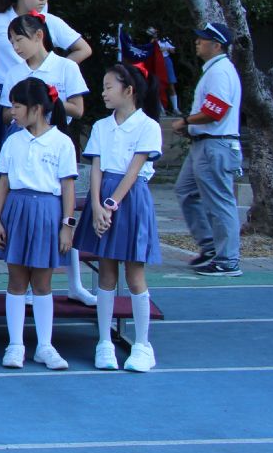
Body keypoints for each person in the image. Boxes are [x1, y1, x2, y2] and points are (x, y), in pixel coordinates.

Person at [0, 13, 95, 306]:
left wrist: (48, 102)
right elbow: (5, 112)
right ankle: (25, 286)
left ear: (39, 36)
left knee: (62, 210)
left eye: (19, 40)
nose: (16, 47)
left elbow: (78, 108)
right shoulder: (15, 72)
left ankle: (75, 283)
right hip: (21, 143)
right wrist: (20, 109)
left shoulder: (65, 66)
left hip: (55, 141)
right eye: (12, 42)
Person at [76, 64, 164, 372]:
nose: (103, 93)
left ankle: (142, 345)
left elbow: (134, 170)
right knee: (106, 273)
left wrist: (111, 204)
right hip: (103, 199)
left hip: (130, 199)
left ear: (129, 90)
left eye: (108, 87)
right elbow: (96, 168)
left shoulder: (148, 126)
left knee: (134, 273)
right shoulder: (101, 126)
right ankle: (104, 342)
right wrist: (96, 205)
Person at [0, 77, 77, 371]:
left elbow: (67, 187)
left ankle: (44, 345)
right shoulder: (13, 141)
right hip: (17, 210)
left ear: (36, 108)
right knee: (16, 280)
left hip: (47, 213)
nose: (12, 112)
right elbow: (3, 183)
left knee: (42, 283)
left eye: (17, 106)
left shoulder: (62, 142)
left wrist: (67, 225)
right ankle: (15, 344)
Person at [174, 22, 244, 277]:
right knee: (186, 191)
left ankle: (227, 260)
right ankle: (212, 247)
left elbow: (216, 111)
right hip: (205, 144)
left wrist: (186, 120)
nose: (198, 41)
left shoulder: (220, 72)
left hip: (215, 144)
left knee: (220, 202)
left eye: (203, 39)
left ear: (216, 45)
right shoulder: (216, 70)